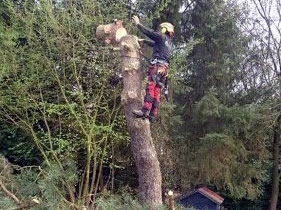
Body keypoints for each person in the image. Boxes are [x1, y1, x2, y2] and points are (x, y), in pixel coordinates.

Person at [131, 15, 174, 122]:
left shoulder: (161, 37)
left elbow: (150, 33)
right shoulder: (169, 42)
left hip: (157, 66)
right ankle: (152, 115)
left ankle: (145, 111)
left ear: (164, 29)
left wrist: (138, 24)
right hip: (164, 69)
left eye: (161, 29)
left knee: (151, 87)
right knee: (157, 90)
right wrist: (144, 41)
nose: (159, 31)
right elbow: (155, 44)